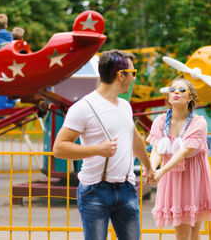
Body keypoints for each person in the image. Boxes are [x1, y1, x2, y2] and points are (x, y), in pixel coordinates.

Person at [53, 49, 154, 240]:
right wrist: (97, 150)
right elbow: (59, 148)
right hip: (95, 190)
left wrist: (148, 167)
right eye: (133, 73)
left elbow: (135, 139)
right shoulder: (83, 108)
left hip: (126, 188)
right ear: (120, 75)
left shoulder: (125, 105)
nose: (134, 78)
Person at [147, 78, 211, 240]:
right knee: (185, 232)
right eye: (172, 89)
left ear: (190, 98)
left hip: (194, 178)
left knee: (190, 233)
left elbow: (183, 152)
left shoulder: (198, 122)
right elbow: (156, 149)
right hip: (174, 179)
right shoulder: (160, 122)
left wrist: (161, 171)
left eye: (182, 90)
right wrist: (152, 169)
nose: (176, 92)